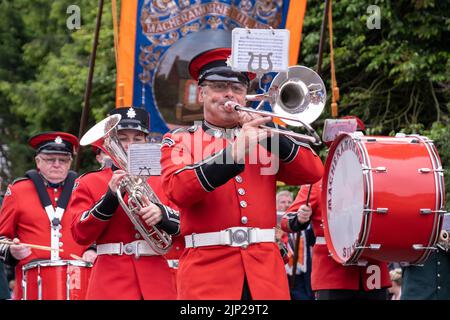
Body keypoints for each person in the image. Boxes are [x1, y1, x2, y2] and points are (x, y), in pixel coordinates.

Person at [160, 47, 324, 300]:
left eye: (237, 88)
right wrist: (233, 154)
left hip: (265, 276)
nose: (229, 94)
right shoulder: (180, 140)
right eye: (219, 86)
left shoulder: (265, 137)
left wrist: (270, 131)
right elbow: (178, 190)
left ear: (246, 95)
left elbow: (313, 171)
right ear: (202, 93)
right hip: (207, 276)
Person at [69, 106, 180, 300]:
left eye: (138, 139)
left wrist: (162, 215)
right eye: (122, 139)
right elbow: (79, 233)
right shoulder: (90, 181)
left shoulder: (164, 179)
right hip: (110, 281)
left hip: (158, 279)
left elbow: (187, 222)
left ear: (147, 141)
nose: (130, 145)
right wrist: (110, 198)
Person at [282, 117, 391, 300]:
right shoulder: (318, 182)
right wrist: (300, 218)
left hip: (373, 271)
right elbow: (286, 220)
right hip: (333, 275)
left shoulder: (377, 180)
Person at [0, 132, 93, 299]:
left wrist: (92, 250)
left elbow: (96, 231)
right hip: (33, 287)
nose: (57, 164)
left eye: (63, 160)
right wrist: (11, 251)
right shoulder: (18, 191)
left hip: (78, 284)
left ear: (70, 162)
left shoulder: (83, 190)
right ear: (38, 161)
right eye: (50, 159)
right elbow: (1, 239)